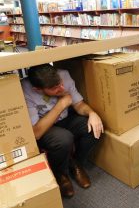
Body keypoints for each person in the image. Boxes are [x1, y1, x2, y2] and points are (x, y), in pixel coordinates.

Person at [21, 64, 104, 198]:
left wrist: (92, 113)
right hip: (44, 126)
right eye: (54, 88)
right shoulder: (26, 89)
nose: (62, 88)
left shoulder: (64, 74)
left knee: (94, 126)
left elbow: (78, 104)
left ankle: (76, 163)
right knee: (63, 139)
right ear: (38, 89)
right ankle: (60, 174)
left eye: (60, 83)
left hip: (65, 119)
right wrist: (61, 104)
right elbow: (36, 133)